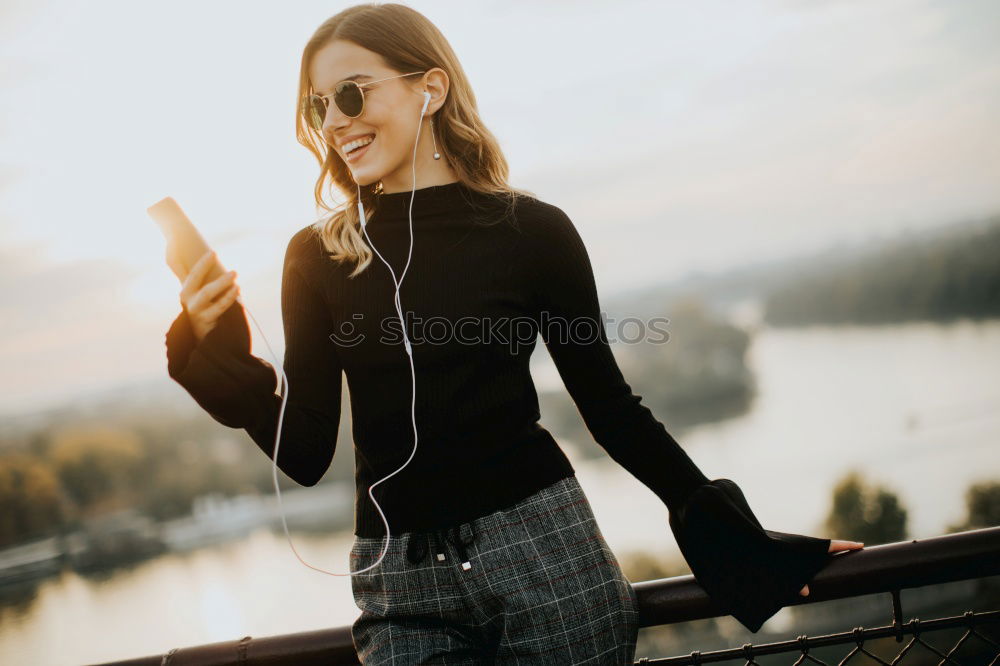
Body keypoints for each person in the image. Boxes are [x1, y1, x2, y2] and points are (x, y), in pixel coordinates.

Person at [164, 3, 864, 664]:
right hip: (400, 583)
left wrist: (741, 545)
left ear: (428, 88)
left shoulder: (531, 231)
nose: (334, 122)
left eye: (350, 94)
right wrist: (215, 353)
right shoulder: (317, 257)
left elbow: (611, 411)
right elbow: (307, 451)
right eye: (318, 106)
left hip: (544, 556)